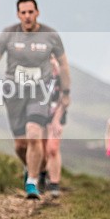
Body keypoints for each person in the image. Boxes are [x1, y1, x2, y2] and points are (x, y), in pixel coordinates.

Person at [0, 0, 71, 199]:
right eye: (23, 13)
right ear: (18, 14)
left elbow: (64, 65)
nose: (27, 16)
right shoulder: (8, 34)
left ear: (37, 12)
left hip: (40, 91)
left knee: (34, 133)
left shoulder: (50, 35)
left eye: (30, 12)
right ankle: (34, 168)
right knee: (21, 144)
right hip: (14, 92)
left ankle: (32, 181)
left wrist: (66, 92)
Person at [38, 54, 66, 197]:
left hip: (56, 113)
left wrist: (56, 120)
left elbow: (65, 98)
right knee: (42, 150)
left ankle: (55, 183)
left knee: (53, 148)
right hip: (39, 115)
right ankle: (42, 175)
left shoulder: (61, 75)